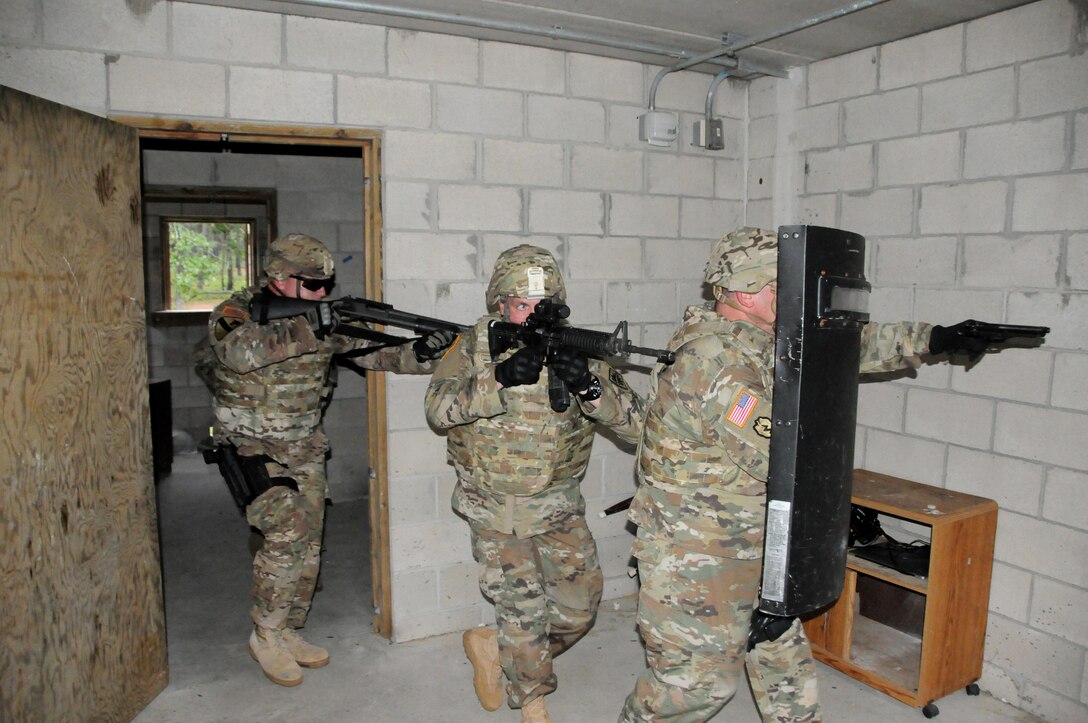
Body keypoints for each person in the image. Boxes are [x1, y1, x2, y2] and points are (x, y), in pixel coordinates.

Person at [619, 227, 993, 722]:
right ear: (749, 291)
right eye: (784, 285)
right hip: (699, 555)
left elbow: (841, 346)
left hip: (756, 536)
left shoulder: (765, 337)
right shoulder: (717, 365)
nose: (797, 296)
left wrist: (934, 338)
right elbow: (782, 456)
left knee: (785, 674)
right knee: (695, 687)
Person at [202, 233, 454, 687]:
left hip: (304, 446)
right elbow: (237, 353)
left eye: (326, 285)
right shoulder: (234, 313)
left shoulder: (321, 319)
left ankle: (291, 630)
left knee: (310, 540)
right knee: (286, 531)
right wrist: (309, 325)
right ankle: (266, 633)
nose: (322, 293)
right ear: (278, 278)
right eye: (312, 284)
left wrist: (424, 353)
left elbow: (375, 354)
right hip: (248, 445)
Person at [424, 245, 644, 723]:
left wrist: (590, 388)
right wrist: (497, 380)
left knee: (580, 608)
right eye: (521, 305)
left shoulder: (575, 347)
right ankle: (531, 699)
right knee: (521, 613)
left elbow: (638, 428)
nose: (531, 316)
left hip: (558, 504)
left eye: (542, 306)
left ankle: (491, 647)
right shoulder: (474, 346)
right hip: (494, 505)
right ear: (499, 304)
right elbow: (438, 411)